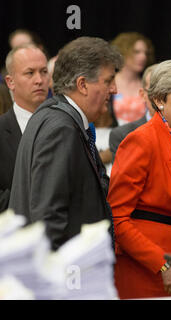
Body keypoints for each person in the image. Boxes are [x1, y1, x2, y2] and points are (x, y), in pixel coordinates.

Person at [9, 37, 123, 250]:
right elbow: (48, 215)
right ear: (82, 85)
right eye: (108, 81)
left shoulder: (57, 117)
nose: (115, 89)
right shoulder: (61, 128)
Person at [107, 60, 171, 299]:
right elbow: (117, 219)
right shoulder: (140, 140)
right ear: (159, 100)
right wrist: (162, 264)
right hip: (145, 269)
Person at [0, 44, 49, 212]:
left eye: (44, 72)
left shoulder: (67, 125)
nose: (39, 80)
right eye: (30, 73)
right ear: (10, 82)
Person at [109, 64, 157, 162]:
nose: (159, 97)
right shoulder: (123, 135)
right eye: (153, 91)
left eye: (166, 91)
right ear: (142, 94)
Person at [111, 32, 154, 125]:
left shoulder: (148, 84)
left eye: (146, 53)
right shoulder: (109, 83)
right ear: (122, 52)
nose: (143, 57)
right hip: (113, 136)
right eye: (136, 52)